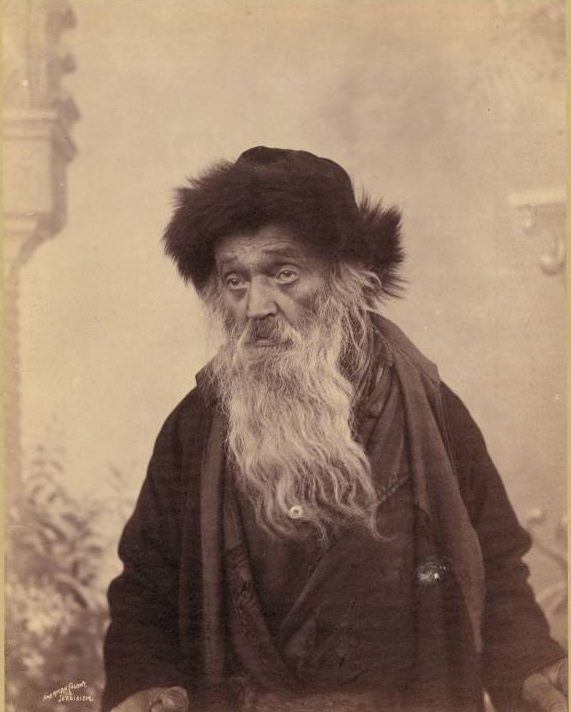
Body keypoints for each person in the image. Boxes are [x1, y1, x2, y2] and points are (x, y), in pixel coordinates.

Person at [102, 147, 567, 712]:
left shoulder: (433, 412)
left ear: (348, 277)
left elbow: (494, 567)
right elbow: (146, 588)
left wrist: (525, 667)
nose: (257, 306)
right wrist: (145, 683)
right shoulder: (194, 428)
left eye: (284, 273)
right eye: (235, 280)